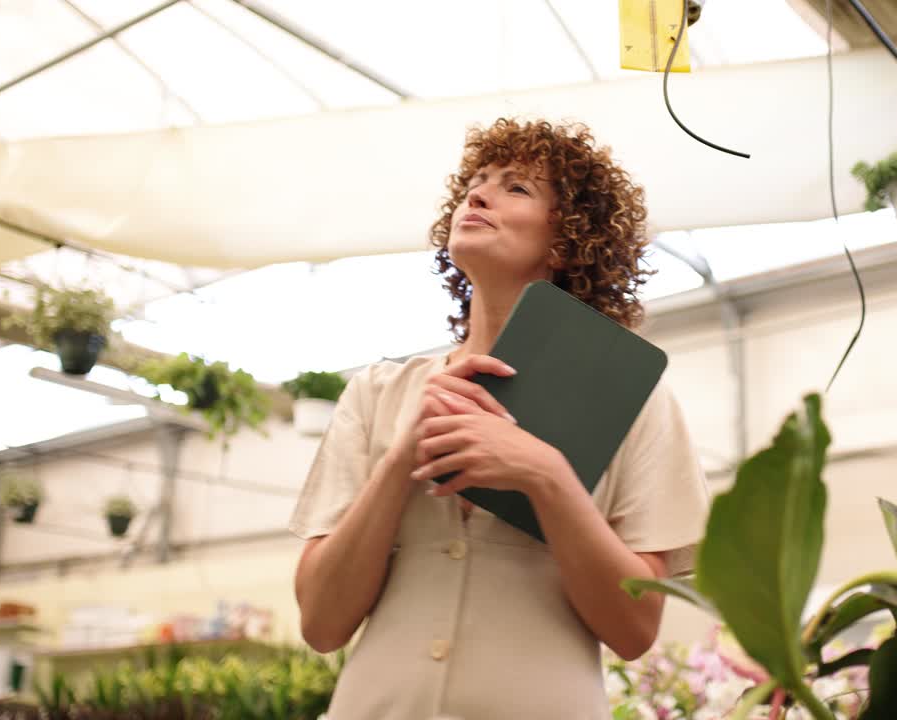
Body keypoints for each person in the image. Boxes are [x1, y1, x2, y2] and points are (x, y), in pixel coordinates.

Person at [289, 118, 711, 719]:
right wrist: (402, 458)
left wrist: (548, 477)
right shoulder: (377, 394)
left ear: (569, 240)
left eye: (516, 187)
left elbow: (635, 630)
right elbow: (321, 624)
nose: (478, 196)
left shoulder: (636, 399)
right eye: (475, 184)